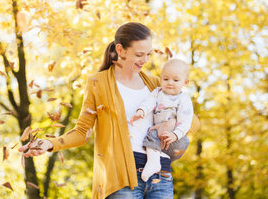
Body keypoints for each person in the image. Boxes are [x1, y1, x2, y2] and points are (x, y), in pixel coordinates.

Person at [19, 22, 200, 199]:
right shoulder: (99, 83)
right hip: (121, 178)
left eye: (148, 54)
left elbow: (193, 121)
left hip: (161, 174)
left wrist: (170, 122)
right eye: (139, 54)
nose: (145, 60)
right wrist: (51, 143)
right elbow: (83, 131)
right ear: (120, 50)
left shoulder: (155, 83)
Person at [129, 58, 193, 182]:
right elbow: (148, 102)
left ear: (185, 82)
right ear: (160, 79)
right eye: (165, 79)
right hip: (159, 137)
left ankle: (154, 161)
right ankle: (154, 162)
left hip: (176, 138)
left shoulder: (184, 99)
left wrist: (175, 134)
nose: (170, 83)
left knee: (153, 133)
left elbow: (186, 120)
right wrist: (141, 112)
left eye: (175, 80)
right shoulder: (158, 92)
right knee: (152, 132)